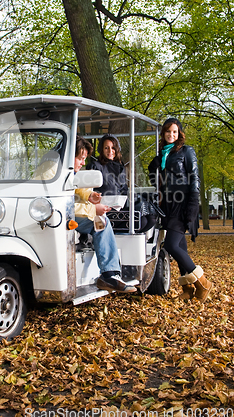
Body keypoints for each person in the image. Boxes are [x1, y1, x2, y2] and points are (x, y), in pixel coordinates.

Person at [148, 117, 212, 302]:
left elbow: (194, 178)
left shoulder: (186, 151)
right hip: (167, 204)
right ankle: (187, 288)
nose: (171, 134)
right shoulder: (161, 156)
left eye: (174, 131)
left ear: (179, 134)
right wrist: (158, 184)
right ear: (164, 133)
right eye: (168, 131)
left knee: (171, 245)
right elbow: (155, 175)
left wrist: (193, 204)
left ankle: (203, 283)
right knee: (180, 245)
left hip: (182, 203)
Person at [74, 136, 136, 294]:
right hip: (71, 214)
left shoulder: (120, 167)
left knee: (102, 221)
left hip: (108, 206)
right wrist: (94, 207)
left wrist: (89, 195)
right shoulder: (90, 166)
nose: (82, 163)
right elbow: (66, 202)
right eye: (80, 159)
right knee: (101, 221)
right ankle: (110, 274)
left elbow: (77, 187)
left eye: (113, 148)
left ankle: (111, 274)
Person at [88, 134, 156, 233]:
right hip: (107, 209)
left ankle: (124, 237)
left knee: (151, 218)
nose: (110, 151)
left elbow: (124, 190)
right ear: (101, 150)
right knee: (143, 221)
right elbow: (90, 191)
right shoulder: (96, 166)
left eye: (113, 148)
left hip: (120, 206)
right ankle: (118, 236)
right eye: (106, 148)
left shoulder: (120, 167)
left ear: (117, 149)